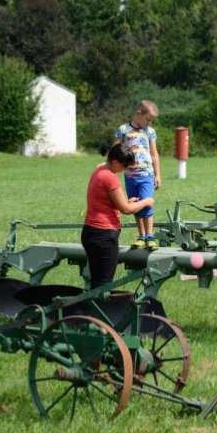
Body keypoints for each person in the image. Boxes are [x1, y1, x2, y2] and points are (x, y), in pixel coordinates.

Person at [81, 143, 155, 290]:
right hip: (104, 236)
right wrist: (147, 201)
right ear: (115, 162)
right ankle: (97, 312)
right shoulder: (110, 178)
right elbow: (126, 210)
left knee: (96, 283)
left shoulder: (99, 171)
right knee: (103, 287)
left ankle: (90, 311)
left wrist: (126, 201)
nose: (125, 169)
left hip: (91, 232)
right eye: (125, 166)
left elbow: (105, 201)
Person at [114, 99, 161, 250]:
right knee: (135, 205)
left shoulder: (149, 132)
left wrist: (157, 174)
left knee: (147, 203)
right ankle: (141, 236)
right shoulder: (123, 130)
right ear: (139, 113)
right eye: (148, 120)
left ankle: (150, 236)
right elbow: (115, 151)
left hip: (146, 174)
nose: (149, 123)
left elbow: (154, 154)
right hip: (130, 176)